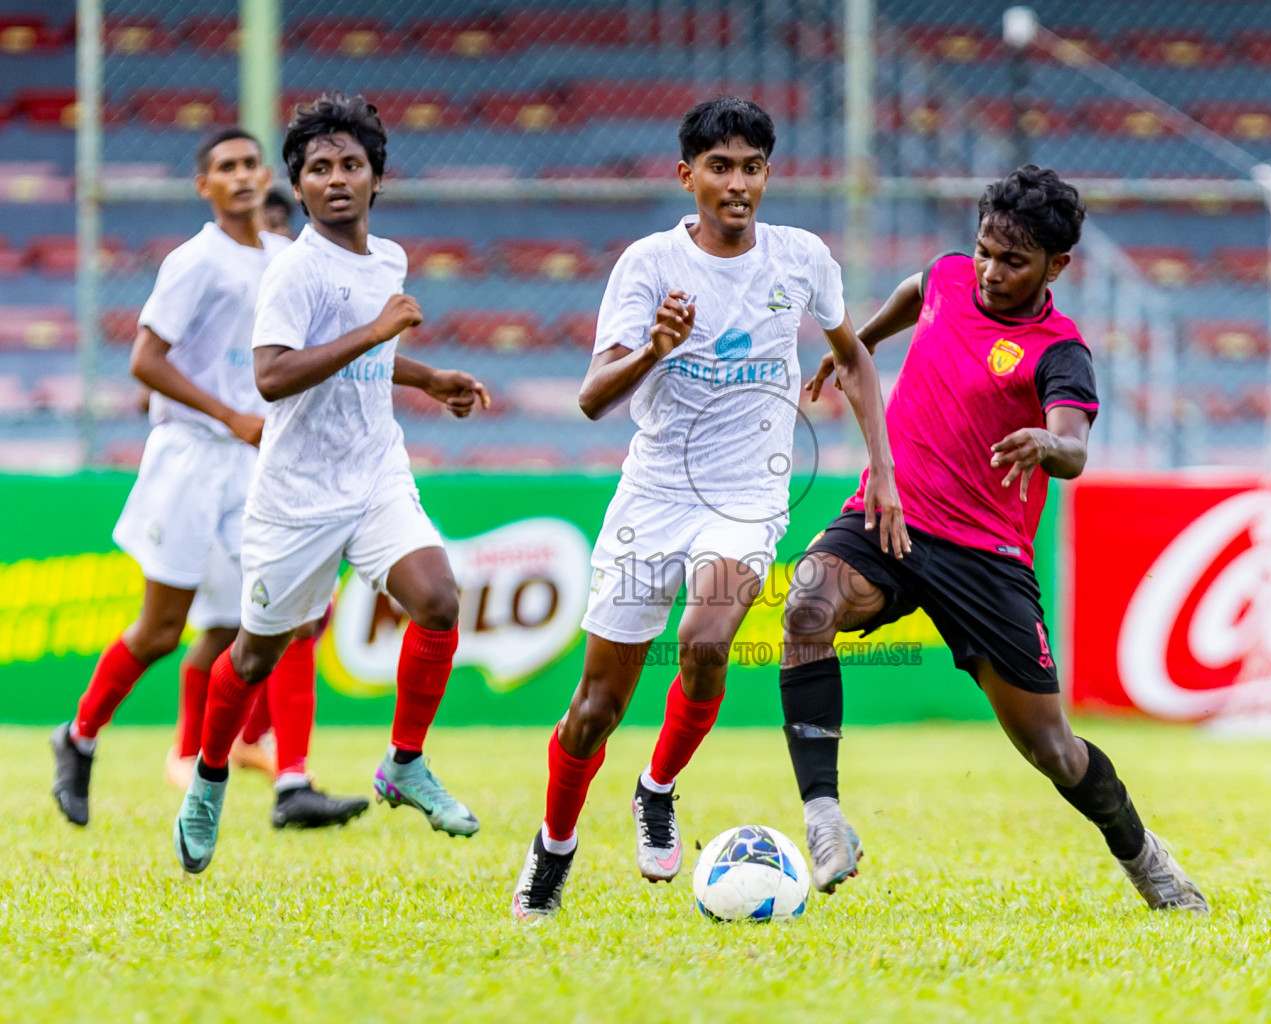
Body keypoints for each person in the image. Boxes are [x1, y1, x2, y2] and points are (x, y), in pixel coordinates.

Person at [510, 97, 905, 920]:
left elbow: (855, 360)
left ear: (768, 174)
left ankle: (658, 786)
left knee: (705, 641)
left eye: (751, 167)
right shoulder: (649, 266)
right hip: (652, 497)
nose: (737, 184)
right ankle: (552, 848)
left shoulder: (800, 259)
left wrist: (884, 469)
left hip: (748, 493)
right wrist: (655, 347)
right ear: (686, 175)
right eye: (719, 168)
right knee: (594, 710)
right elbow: (590, 399)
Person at [777, 165, 1209, 911]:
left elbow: (1074, 448)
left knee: (1054, 750)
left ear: (1056, 267)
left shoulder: (1060, 350)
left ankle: (1145, 859)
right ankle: (824, 817)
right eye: (984, 250)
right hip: (895, 519)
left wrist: (1047, 442)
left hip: (988, 561)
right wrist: (864, 343)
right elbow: (919, 291)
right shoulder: (951, 277)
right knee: (807, 606)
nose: (989, 271)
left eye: (1013, 261)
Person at [171, 93, 492, 874]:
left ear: (378, 178)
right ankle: (208, 780)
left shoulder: (388, 260)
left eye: (352, 164)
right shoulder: (290, 270)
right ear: (302, 184)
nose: (337, 178)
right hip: (296, 496)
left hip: (375, 473)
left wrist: (423, 375)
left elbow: (368, 361)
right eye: (319, 168)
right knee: (253, 657)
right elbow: (273, 376)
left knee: (439, 600)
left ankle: (405, 763)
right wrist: (378, 332)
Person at [50, 127, 367, 832]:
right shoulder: (195, 260)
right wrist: (231, 416)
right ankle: (78, 737)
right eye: (226, 167)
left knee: (276, 617)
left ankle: (293, 782)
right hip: (191, 458)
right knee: (162, 629)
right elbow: (144, 360)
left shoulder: (289, 257)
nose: (242, 174)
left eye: (251, 162)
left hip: (255, 465)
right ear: (206, 186)